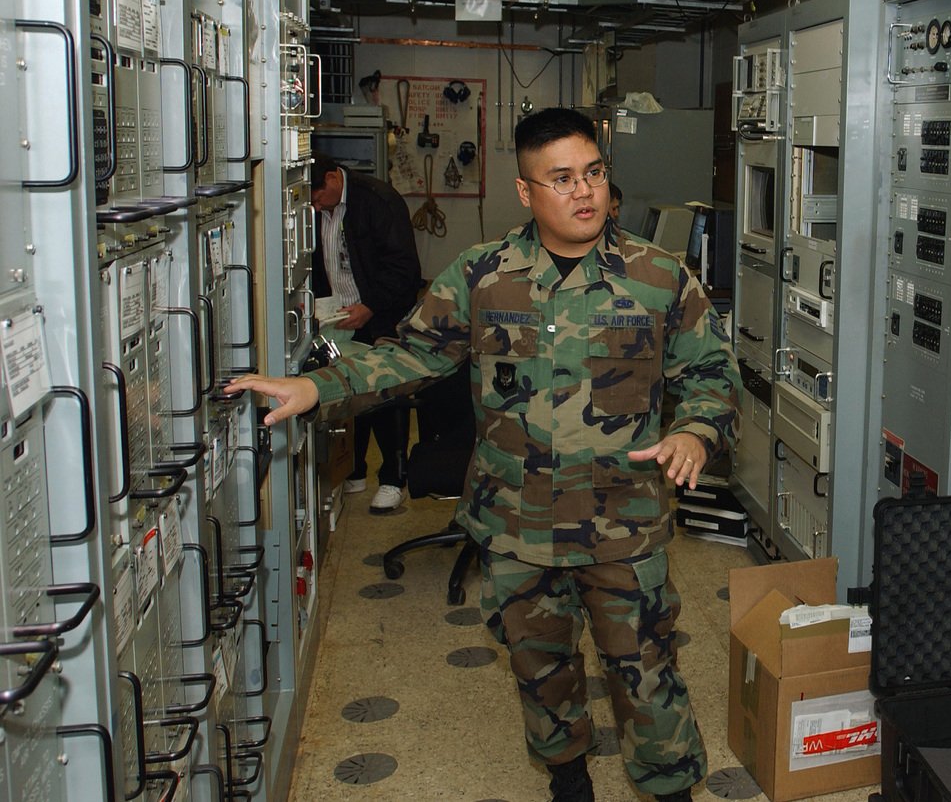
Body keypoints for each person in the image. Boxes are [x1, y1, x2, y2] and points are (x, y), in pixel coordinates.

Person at [228, 108, 737, 802]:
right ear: (527, 192)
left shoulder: (657, 275)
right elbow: (409, 354)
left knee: (645, 672)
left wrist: (696, 431)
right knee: (541, 670)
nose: (584, 192)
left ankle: (672, 791)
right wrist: (315, 385)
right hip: (517, 526)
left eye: (593, 172)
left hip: (624, 524)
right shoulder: (483, 276)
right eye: (561, 178)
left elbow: (710, 373)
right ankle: (568, 782)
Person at [308, 156, 422, 512]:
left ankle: (393, 478)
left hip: (379, 313)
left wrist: (370, 305)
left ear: (331, 178)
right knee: (346, 391)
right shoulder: (320, 209)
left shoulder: (377, 201)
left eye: (316, 196)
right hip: (337, 317)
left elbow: (404, 269)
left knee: (384, 393)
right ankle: (354, 468)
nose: (314, 205)